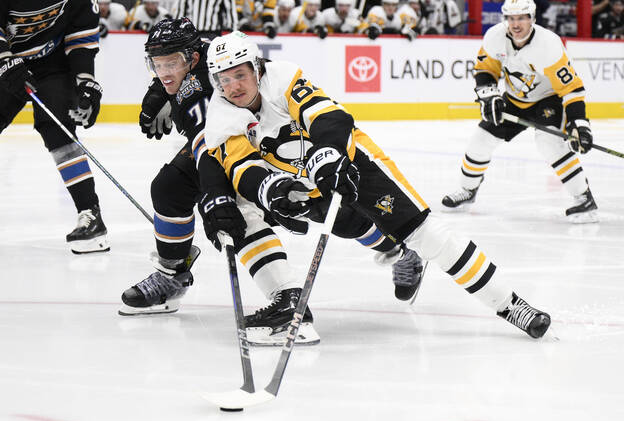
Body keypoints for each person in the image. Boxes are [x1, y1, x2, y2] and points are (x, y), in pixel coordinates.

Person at [203, 31, 552, 339]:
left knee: (424, 232)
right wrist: (272, 191)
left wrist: (328, 156)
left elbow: (329, 116)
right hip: (304, 182)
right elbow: (240, 165)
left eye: (240, 74)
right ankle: (401, 254)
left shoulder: (282, 77)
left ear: (256, 68)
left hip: (354, 161)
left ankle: (510, 304)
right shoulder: (221, 115)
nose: (234, 86)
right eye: (224, 79)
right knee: (352, 226)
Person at [117, 18, 321, 346]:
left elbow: (209, 146)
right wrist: (160, 88)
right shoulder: (203, 55)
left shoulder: (198, 89)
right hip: (238, 141)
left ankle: (289, 297)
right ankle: (172, 276)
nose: (165, 71)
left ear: (193, 59)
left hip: (266, 147)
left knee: (235, 208)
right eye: (157, 64)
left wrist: (216, 195)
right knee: (170, 187)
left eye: (173, 63)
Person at [441, 0, 598, 224]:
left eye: (522, 18)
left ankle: (583, 197)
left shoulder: (548, 45)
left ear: (532, 18)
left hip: (548, 100)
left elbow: (571, 88)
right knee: (480, 140)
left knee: (549, 144)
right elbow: (485, 69)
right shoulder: (495, 37)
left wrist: (579, 123)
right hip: (514, 100)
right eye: (511, 18)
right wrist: (489, 94)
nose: (516, 24)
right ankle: (468, 190)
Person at [0, 0, 108, 253]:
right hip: (6, 62)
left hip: (54, 67)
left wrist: (85, 81)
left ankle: (90, 214)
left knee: (58, 132)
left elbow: (81, 37)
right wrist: (4, 58)